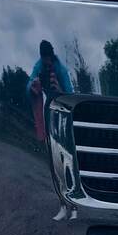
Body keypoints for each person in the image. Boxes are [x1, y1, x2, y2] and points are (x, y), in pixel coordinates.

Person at [28, 40, 76, 219]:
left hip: (61, 112)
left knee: (67, 159)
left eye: (48, 58)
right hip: (49, 111)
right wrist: (34, 86)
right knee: (54, 161)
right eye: (44, 58)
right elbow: (30, 86)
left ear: (52, 55)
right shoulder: (38, 67)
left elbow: (70, 95)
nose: (47, 62)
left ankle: (74, 206)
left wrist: (59, 88)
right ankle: (62, 205)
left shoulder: (60, 69)